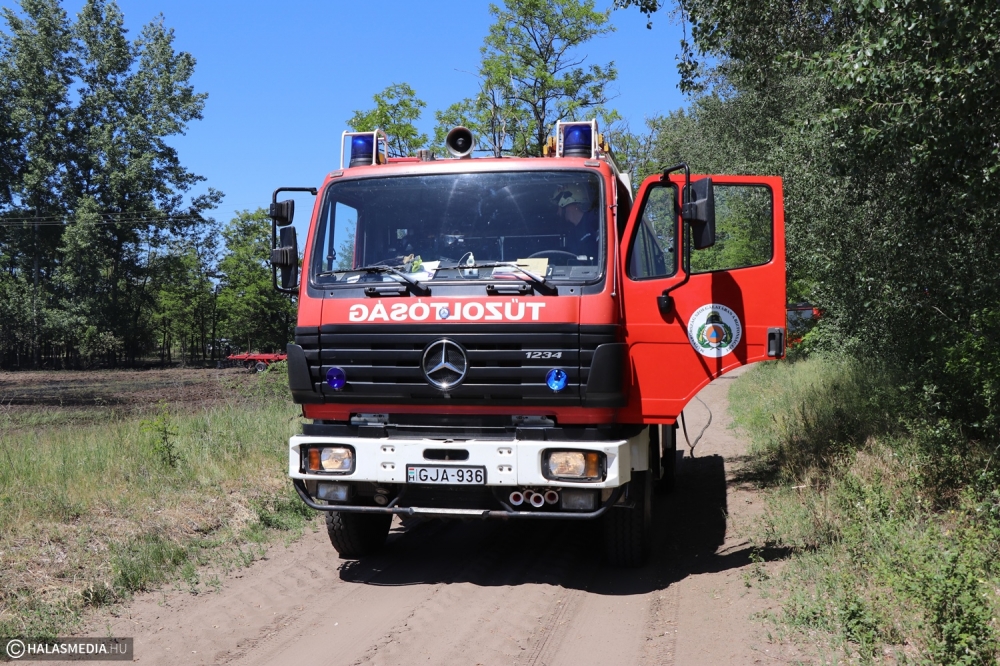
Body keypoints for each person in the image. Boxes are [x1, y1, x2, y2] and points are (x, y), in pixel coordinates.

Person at [551, 184, 600, 261]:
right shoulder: (572, 232)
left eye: (558, 207)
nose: (558, 212)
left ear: (565, 203)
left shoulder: (596, 224)